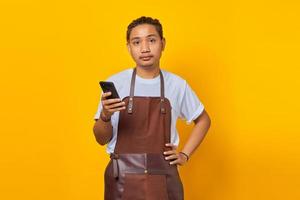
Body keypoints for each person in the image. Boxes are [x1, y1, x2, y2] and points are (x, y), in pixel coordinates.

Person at [93, 16, 211, 200]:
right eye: (137, 42)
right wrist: (105, 115)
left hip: (163, 177)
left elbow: (203, 120)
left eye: (152, 40)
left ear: (163, 44)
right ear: (129, 47)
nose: (145, 48)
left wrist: (184, 155)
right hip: (121, 178)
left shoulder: (177, 85)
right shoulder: (116, 83)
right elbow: (101, 139)